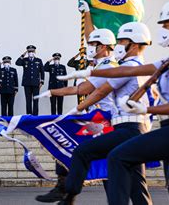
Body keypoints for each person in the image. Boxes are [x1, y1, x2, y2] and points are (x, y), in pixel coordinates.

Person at [85, 0, 169, 205]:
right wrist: (90, 71)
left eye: (167, 25)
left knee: (118, 157)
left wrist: (147, 108)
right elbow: (130, 69)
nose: (163, 30)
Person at [53, 22, 153, 205]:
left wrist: (76, 110)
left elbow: (98, 91)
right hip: (136, 127)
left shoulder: (127, 67)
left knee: (83, 152)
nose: (119, 45)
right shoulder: (142, 67)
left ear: (136, 43)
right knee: (137, 184)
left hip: (126, 127)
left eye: (123, 41)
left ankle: (68, 197)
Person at [35, 28, 118, 203]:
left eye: (92, 44)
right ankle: (65, 192)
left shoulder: (108, 66)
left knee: (73, 141)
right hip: (100, 118)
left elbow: (82, 90)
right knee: (79, 150)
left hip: (107, 121)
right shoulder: (100, 66)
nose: (89, 48)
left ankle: (63, 190)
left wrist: (53, 92)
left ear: (103, 47)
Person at [16, 45, 44, 116]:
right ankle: (29, 116)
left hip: (36, 83)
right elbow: (17, 63)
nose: (31, 52)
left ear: (35, 52)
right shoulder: (24, 60)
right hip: (27, 83)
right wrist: (23, 54)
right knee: (28, 101)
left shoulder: (38, 60)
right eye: (29, 51)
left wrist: (42, 82)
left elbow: (42, 71)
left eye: (32, 51)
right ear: (27, 52)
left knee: (36, 100)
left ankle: (35, 116)